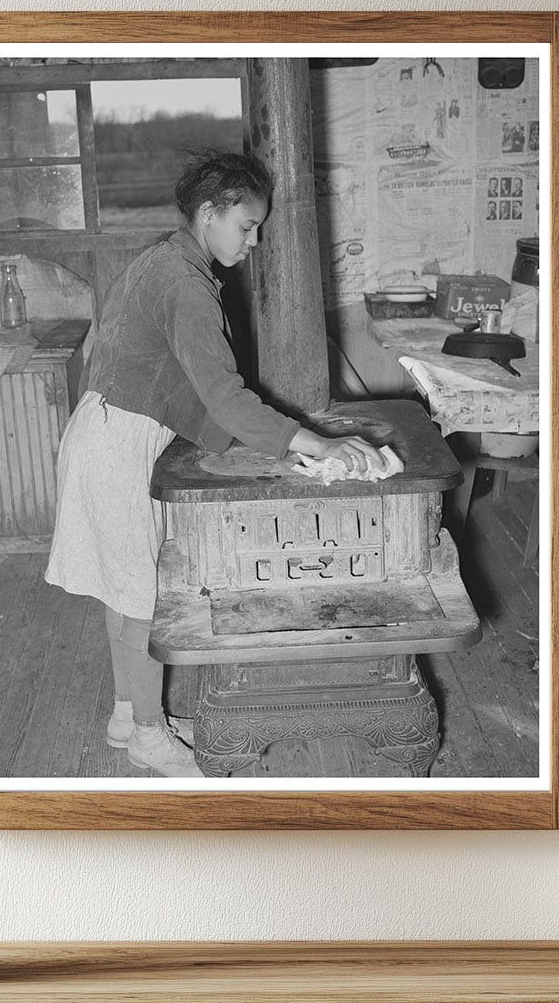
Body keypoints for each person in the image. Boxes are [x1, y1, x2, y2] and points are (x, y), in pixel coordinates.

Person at [45, 150, 383, 778]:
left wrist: (273, 439)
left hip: (107, 429)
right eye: (246, 226)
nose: (252, 241)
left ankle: (128, 714)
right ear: (209, 213)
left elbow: (182, 385)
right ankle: (149, 735)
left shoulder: (166, 259)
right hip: (118, 444)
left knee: (126, 593)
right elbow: (224, 396)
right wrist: (314, 444)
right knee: (143, 600)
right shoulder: (185, 283)